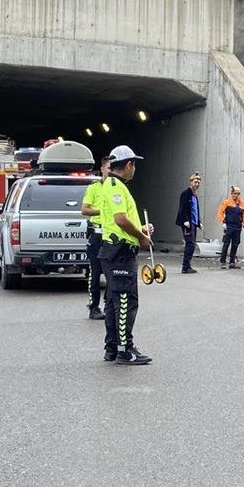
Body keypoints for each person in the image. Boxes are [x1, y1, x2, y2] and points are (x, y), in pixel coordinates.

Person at [97, 146, 153, 365]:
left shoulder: (112, 185)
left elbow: (119, 220)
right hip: (120, 252)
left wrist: (141, 228)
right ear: (128, 165)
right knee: (124, 301)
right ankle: (125, 350)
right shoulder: (115, 187)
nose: (135, 169)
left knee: (113, 301)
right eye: (134, 164)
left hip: (114, 249)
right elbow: (120, 219)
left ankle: (112, 347)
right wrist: (141, 236)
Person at [80, 156, 111, 320]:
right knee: (95, 271)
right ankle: (93, 307)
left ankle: (109, 304)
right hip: (97, 234)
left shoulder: (116, 188)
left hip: (111, 234)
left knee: (111, 272)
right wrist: (102, 212)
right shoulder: (94, 188)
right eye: (108, 168)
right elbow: (84, 210)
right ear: (103, 169)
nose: (111, 171)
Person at [175, 172, 202, 273]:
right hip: (187, 223)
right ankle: (185, 266)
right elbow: (182, 208)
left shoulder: (195, 196)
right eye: (195, 182)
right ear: (191, 182)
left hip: (193, 223)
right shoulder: (186, 193)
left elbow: (195, 210)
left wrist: (199, 222)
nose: (197, 184)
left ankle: (187, 265)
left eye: (198, 182)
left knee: (192, 244)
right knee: (190, 243)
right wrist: (185, 220)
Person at [217, 185, 244, 269]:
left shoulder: (242, 203)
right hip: (229, 226)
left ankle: (232, 262)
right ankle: (223, 262)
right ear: (231, 194)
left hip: (238, 227)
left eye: (237, 194)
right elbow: (220, 213)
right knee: (226, 244)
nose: (235, 195)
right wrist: (223, 222)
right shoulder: (227, 202)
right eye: (234, 193)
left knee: (235, 245)